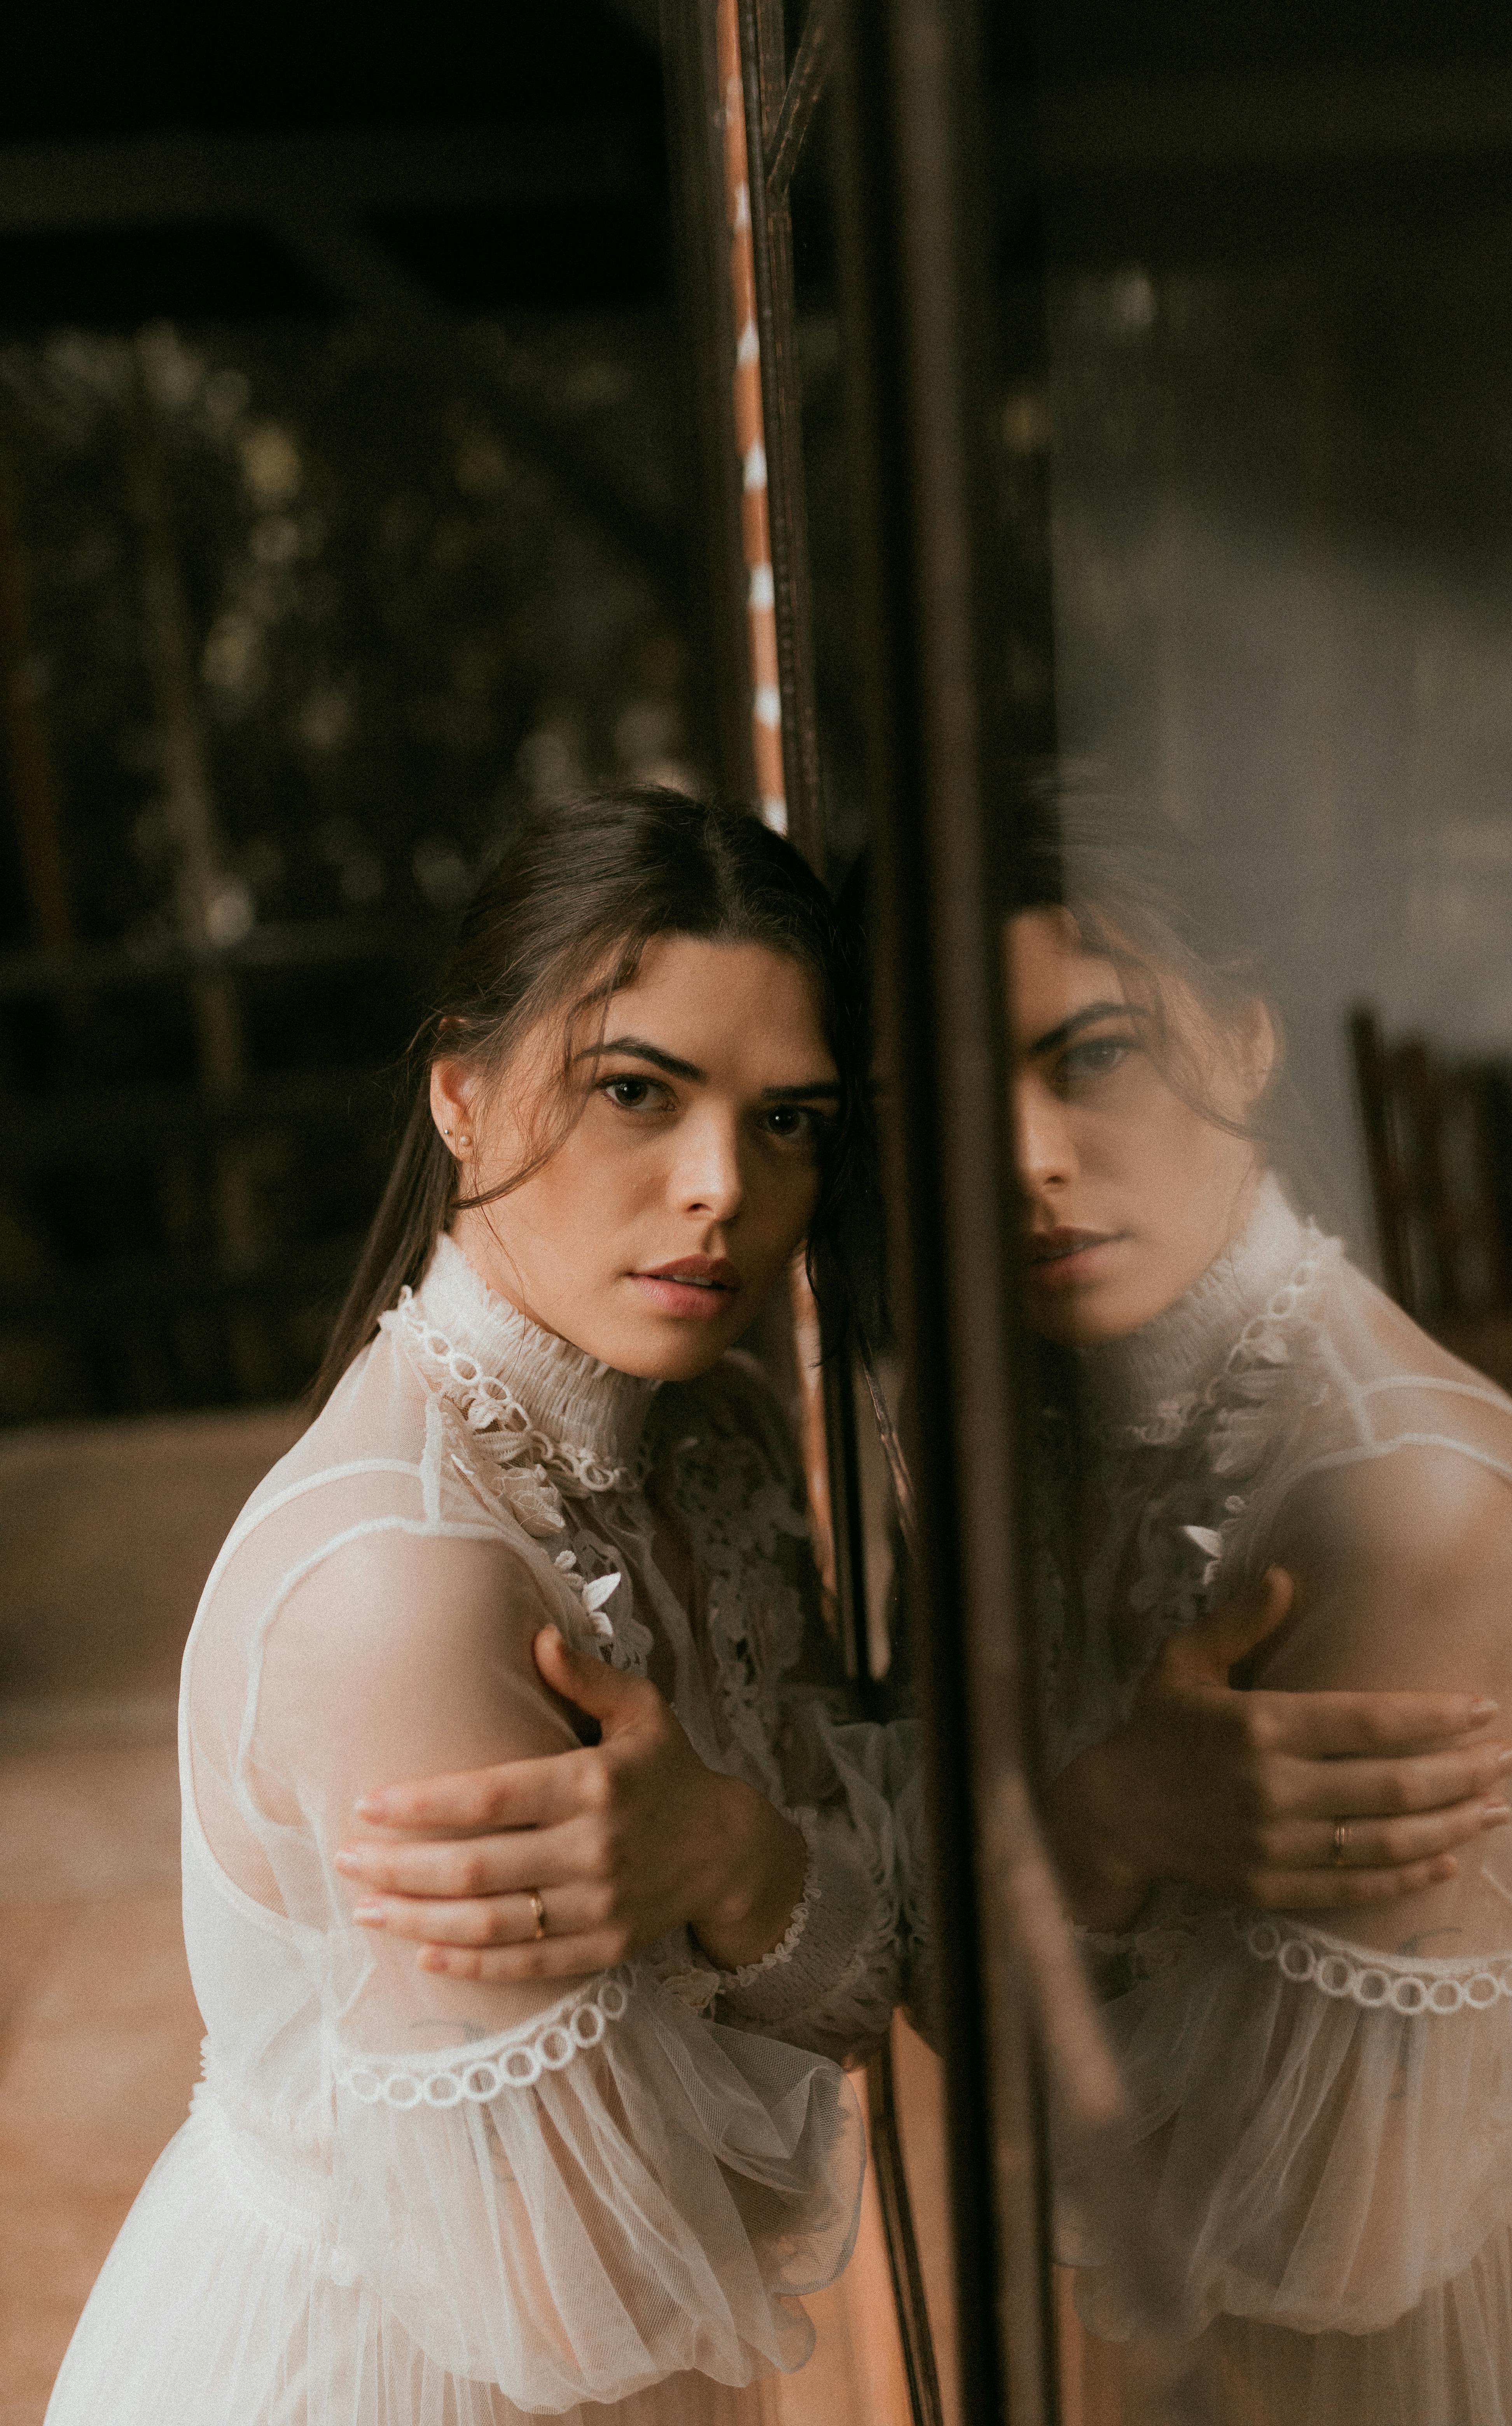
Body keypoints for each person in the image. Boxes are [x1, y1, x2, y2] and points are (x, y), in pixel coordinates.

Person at [44, 790, 911, 2426]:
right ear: (459, 1089)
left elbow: (864, 1977)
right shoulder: (410, 1592)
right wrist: (771, 1886)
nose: (722, 1186)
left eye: (790, 1120)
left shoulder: (713, 1436)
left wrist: (729, 1852)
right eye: (634, 1093)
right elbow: (577, 2293)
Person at [1006, 789, 1512, 2423]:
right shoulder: (1096, 1407)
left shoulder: (1401, 1517)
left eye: (1091, 1054)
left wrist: (1077, 1846)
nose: (1025, 1158)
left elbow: (1330, 2243)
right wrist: (1100, 1830)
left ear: (1248, 1036)